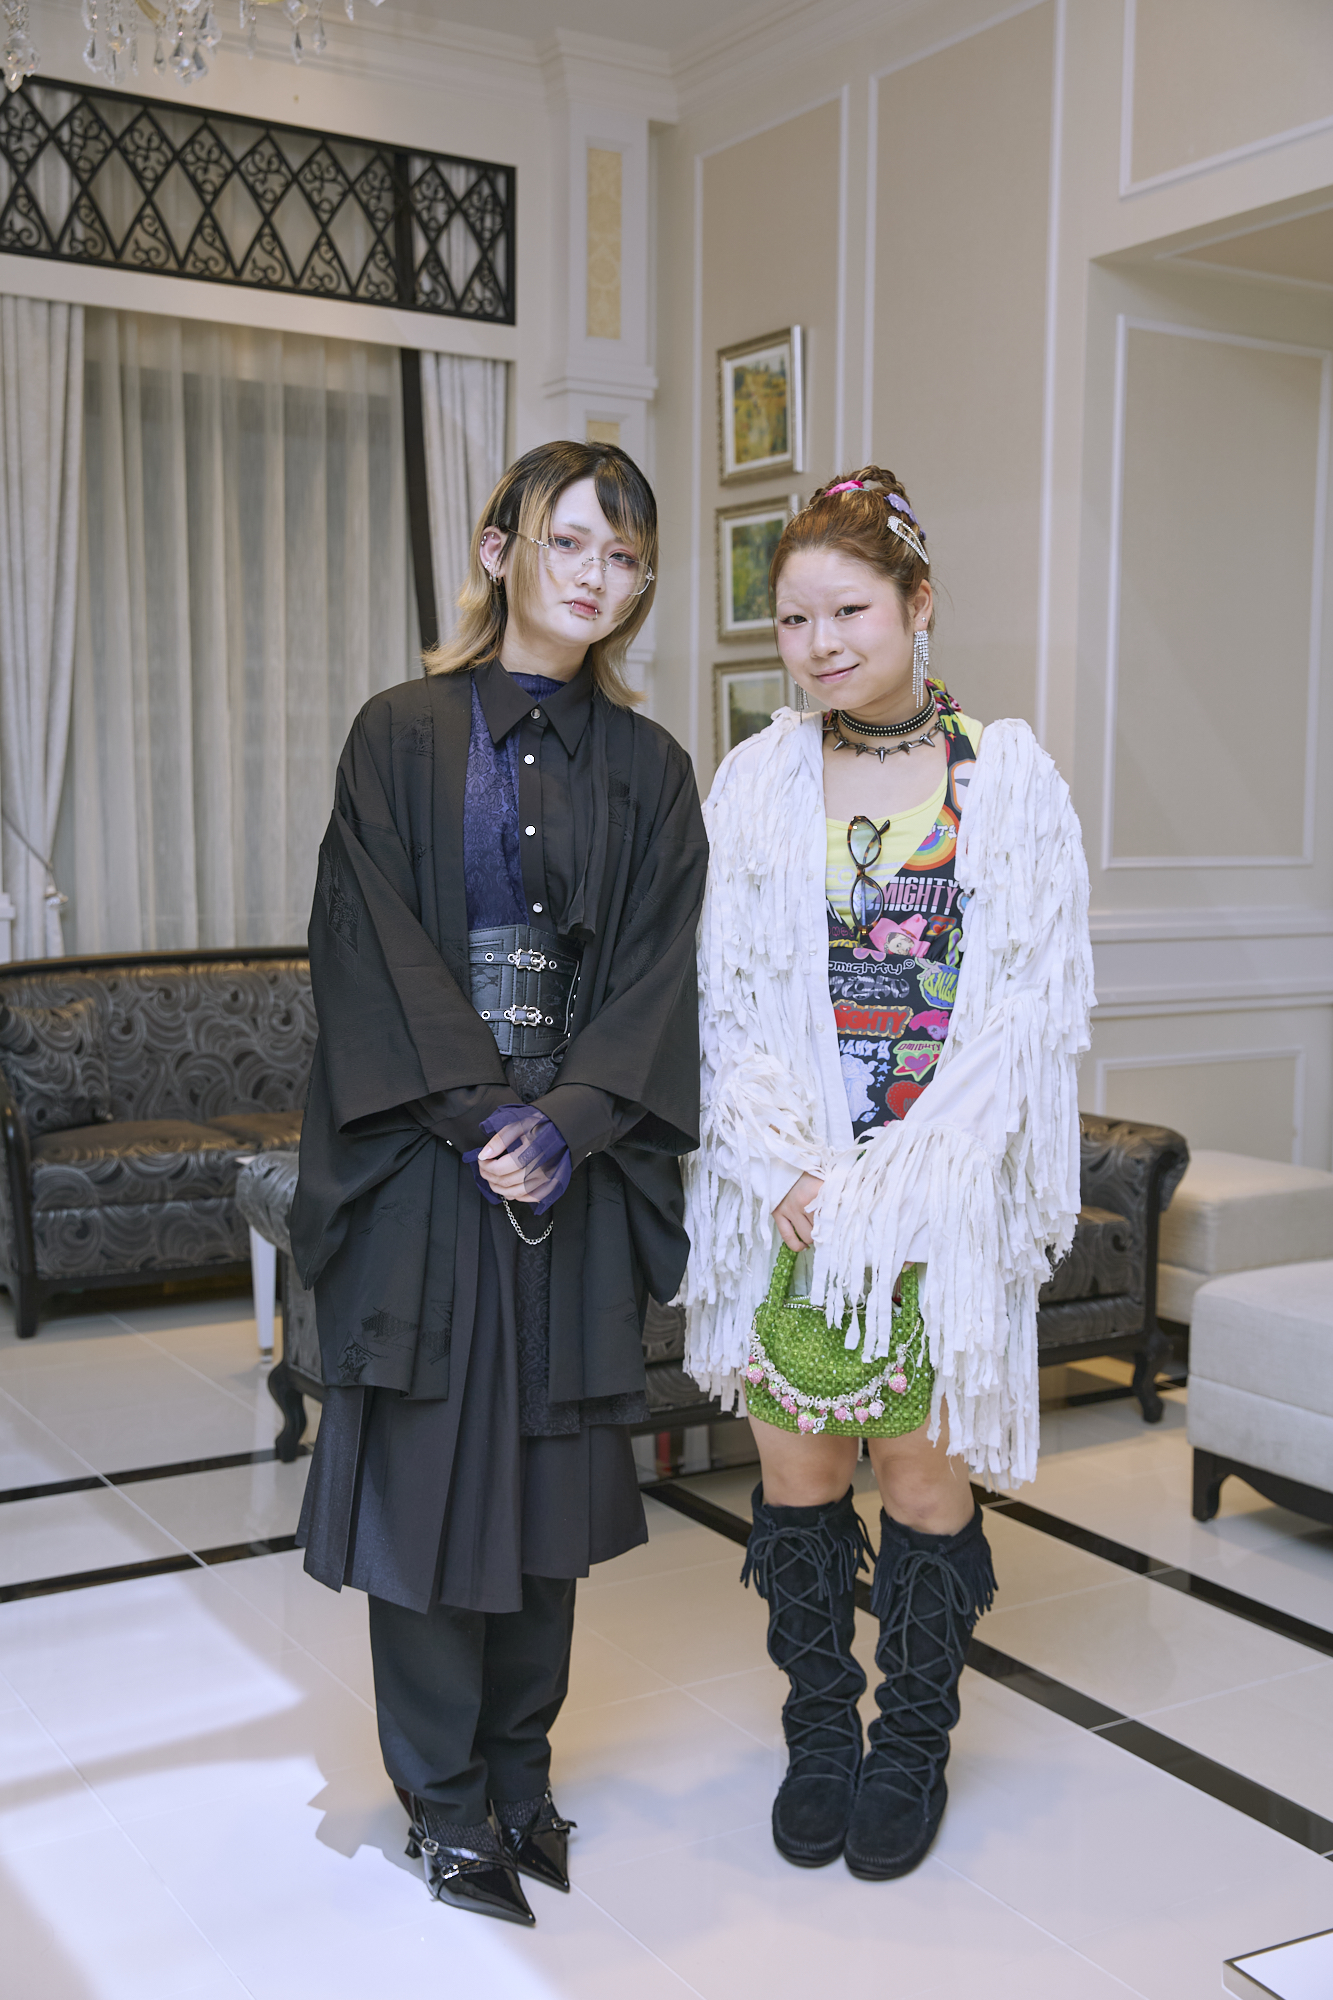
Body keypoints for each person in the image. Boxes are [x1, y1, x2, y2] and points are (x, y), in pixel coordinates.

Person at [291, 440, 708, 1927]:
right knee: (428, 1483)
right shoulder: (399, 735)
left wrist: (575, 1119)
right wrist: (487, 1116)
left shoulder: (653, 770)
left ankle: (523, 1779)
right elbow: (368, 945)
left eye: (625, 556)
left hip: (574, 1172)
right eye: (571, 542)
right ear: (497, 549)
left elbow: (661, 969)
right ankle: (444, 1801)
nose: (599, 577)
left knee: (547, 1480)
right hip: (425, 1162)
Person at [683, 466, 1092, 1882]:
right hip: (790, 1197)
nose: (819, 644)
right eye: (794, 620)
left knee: (921, 1480)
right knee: (798, 1474)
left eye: (848, 610)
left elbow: (1024, 1013)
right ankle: (818, 1734)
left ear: (917, 604)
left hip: (937, 1200)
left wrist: (906, 1186)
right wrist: (785, 1168)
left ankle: (910, 1742)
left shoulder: (1007, 779)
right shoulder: (755, 781)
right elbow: (723, 1000)